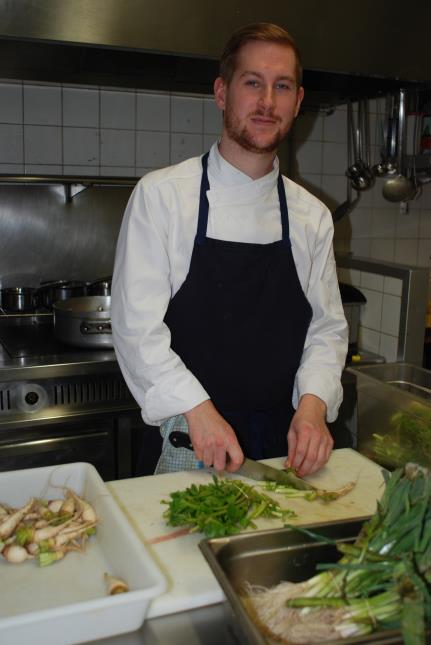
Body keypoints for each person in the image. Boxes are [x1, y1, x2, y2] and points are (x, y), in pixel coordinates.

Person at [111, 22, 348, 477]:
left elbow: (327, 329)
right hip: (188, 441)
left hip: (285, 451)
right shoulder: (162, 196)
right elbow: (135, 328)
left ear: (298, 102)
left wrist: (314, 406)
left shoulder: (311, 216)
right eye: (252, 83)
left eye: (282, 86)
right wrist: (198, 410)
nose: (267, 101)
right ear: (222, 93)